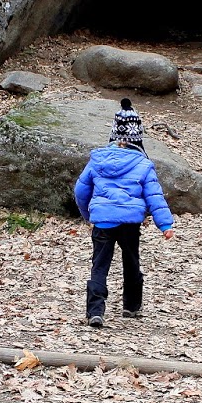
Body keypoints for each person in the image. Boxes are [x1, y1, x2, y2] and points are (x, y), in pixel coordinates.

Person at [73, 99, 174, 326]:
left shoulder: (97, 160)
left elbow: (81, 190)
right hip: (130, 222)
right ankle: (131, 306)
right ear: (138, 137)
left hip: (103, 221)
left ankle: (95, 311)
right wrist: (165, 225)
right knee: (131, 261)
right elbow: (154, 197)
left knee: (100, 265)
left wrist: (87, 214)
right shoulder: (143, 163)